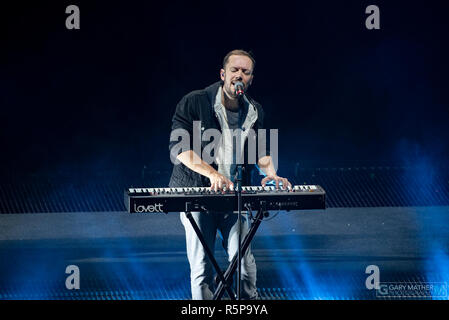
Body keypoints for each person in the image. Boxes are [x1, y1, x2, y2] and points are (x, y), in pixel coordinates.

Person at [168, 49, 291, 300]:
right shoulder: (195, 101)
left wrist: (272, 174)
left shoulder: (255, 111)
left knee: (245, 268)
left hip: (234, 198)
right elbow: (179, 148)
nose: (239, 75)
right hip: (197, 196)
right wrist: (212, 174)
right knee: (201, 270)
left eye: (245, 72)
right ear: (223, 74)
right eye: (234, 70)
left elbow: (261, 152)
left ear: (251, 79)